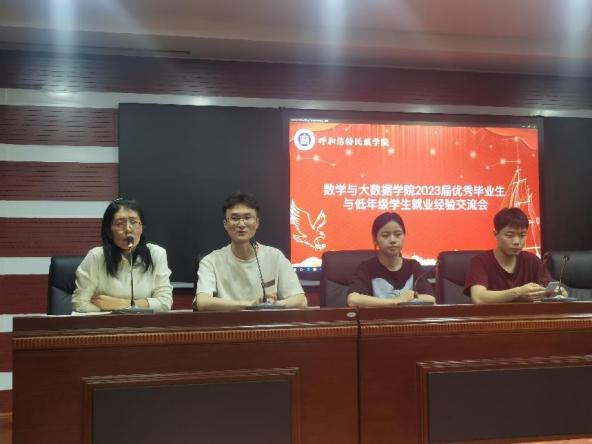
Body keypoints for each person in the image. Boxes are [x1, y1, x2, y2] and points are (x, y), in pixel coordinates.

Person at [194, 192, 308, 311]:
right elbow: (202, 302)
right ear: (225, 224)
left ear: (257, 223)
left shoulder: (275, 257)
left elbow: (301, 300)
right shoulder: (211, 261)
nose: (241, 224)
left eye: (247, 218)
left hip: (266, 322)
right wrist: (250, 305)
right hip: (228, 323)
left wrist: (273, 305)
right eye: (235, 218)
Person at [72, 198, 173, 312]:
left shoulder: (157, 254)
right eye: (120, 224)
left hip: (144, 322)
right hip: (106, 323)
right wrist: (119, 315)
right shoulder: (96, 257)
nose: (128, 229)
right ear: (109, 232)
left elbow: (165, 304)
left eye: (134, 222)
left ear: (141, 228)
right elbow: (80, 304)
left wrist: (120, 304)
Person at [464, 207, 564, 304]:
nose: (516, 242)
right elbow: (478, 298)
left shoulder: (532, 260)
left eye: (522, 235)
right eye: (509, 235)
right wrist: (518, 292)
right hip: (493, 315)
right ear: (495, 234)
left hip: (527, 315)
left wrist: (558, 292)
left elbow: (555, 290)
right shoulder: (480, 261)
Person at [347, 212, 436, 307]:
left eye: (398, 234)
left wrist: (413, 296)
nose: (392, 240)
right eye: (385, 235)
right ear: (375, 239)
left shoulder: (413, 266)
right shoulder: (366, 268)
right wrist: (396, 301)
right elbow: (353, 300)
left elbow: (431, 299)